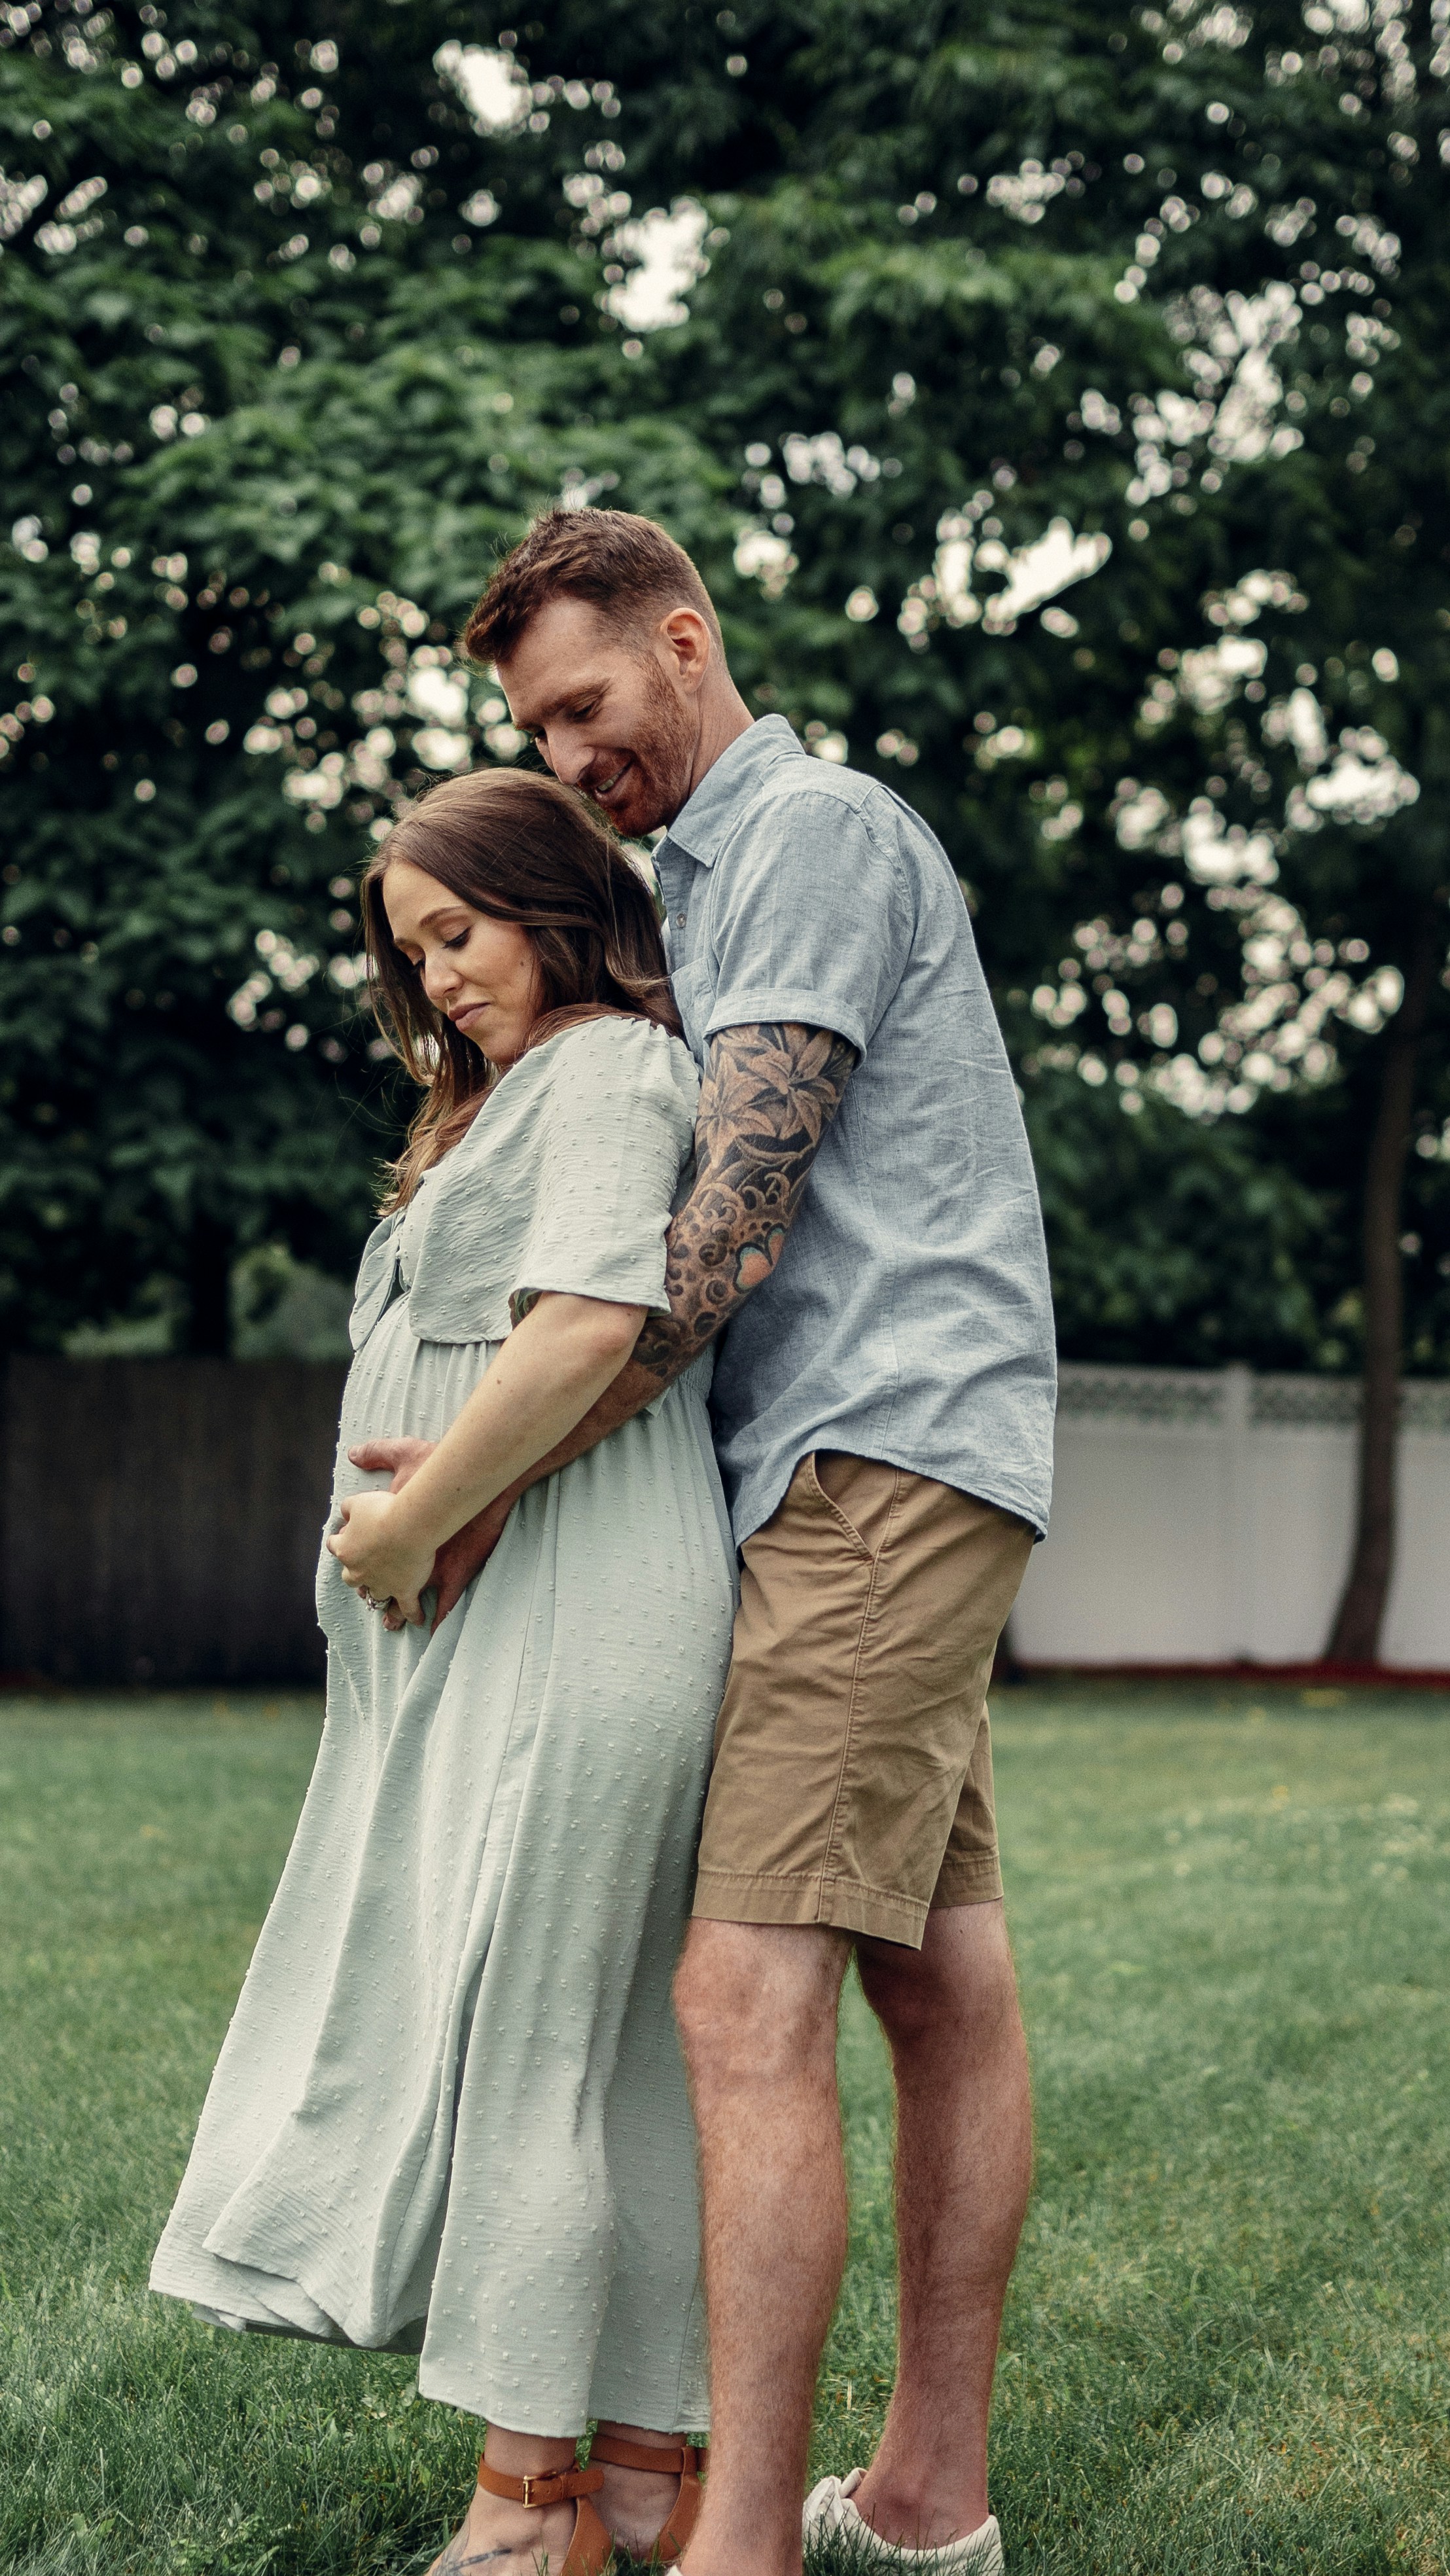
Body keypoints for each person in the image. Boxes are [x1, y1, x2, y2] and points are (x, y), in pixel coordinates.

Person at [364, 509, 1058, 2576]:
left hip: (873, 1453)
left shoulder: (814, 830)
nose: (570, 754)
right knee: (939, 1988)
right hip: (854, 1470)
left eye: (584, 706)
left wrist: (462, 1498)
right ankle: (928, 2505)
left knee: (740, 1997)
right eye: (532, 728)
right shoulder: (702, 883)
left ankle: (736, 2545)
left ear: (685, 643)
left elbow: (728, 1227)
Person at [150, 768, 739, 2576]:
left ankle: (523, 2509)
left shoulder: (617, 1069)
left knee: (540, 2054)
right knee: (600, 2056)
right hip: (506, 1608)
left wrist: (409, 1532)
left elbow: (587, 1326)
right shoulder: (488, 1101)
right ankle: (643, 2471)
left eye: (460, 934)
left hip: (582, 1588)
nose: (442, 978)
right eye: (416, 955)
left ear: (556, 899)